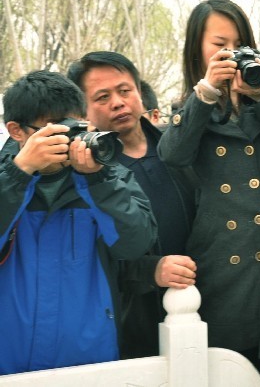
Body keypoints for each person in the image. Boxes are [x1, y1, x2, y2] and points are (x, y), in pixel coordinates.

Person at [157, 0, 260, 380]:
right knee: (229, 372)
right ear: (198, 49)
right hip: (222, 266)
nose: (231, 53)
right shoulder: (190, 106)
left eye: (240, 44)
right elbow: (172, 155)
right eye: (219, 44)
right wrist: (206, 93)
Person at [0, 70, 157, 375]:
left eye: (74, 127)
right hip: (9, 361)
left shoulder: (109, 176)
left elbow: (136, 244)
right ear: (17, 131)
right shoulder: (6, 179)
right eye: (54, 131)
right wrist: (19, 174)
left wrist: (98, 181)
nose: (68, 139)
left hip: (90, 360)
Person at [67, 52, 197, 359]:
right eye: (102, 97)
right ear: (83, 110)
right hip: (134, 331)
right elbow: (86, 261)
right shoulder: (82, 174)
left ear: (139, 92)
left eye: (124, 90)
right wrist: (149, 270)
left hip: (208, 312)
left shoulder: (179, 149)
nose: (117, 102)